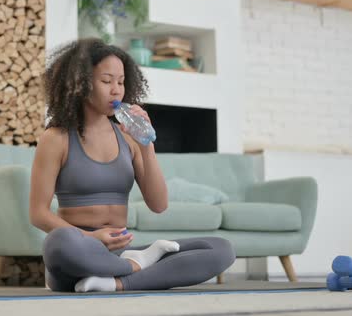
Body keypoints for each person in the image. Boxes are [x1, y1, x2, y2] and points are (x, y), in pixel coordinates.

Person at [29, 38, 235, 292]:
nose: (116, 90)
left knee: (221, 249)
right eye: (106, 81)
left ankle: (116, 282)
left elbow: (159, 205)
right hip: (78, 251)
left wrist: (147, 145)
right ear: (81, 84)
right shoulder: (56, 138)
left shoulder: (128, 137)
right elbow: (38, 213)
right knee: (59, 242)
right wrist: (90, 237)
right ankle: (138, 268)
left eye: (121, 81)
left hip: (121, 252)